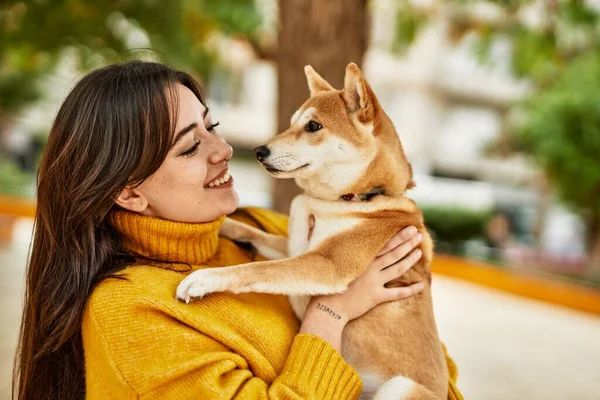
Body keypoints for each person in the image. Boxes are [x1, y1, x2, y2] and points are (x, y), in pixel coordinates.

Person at [13, 61, 463, 399]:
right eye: (191, 147)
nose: (224, 150)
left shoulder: (258, 227)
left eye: (213, 127)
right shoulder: (131, 311)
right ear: (129, 194)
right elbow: (333, 288)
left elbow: (430, 367)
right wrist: (332, 311)